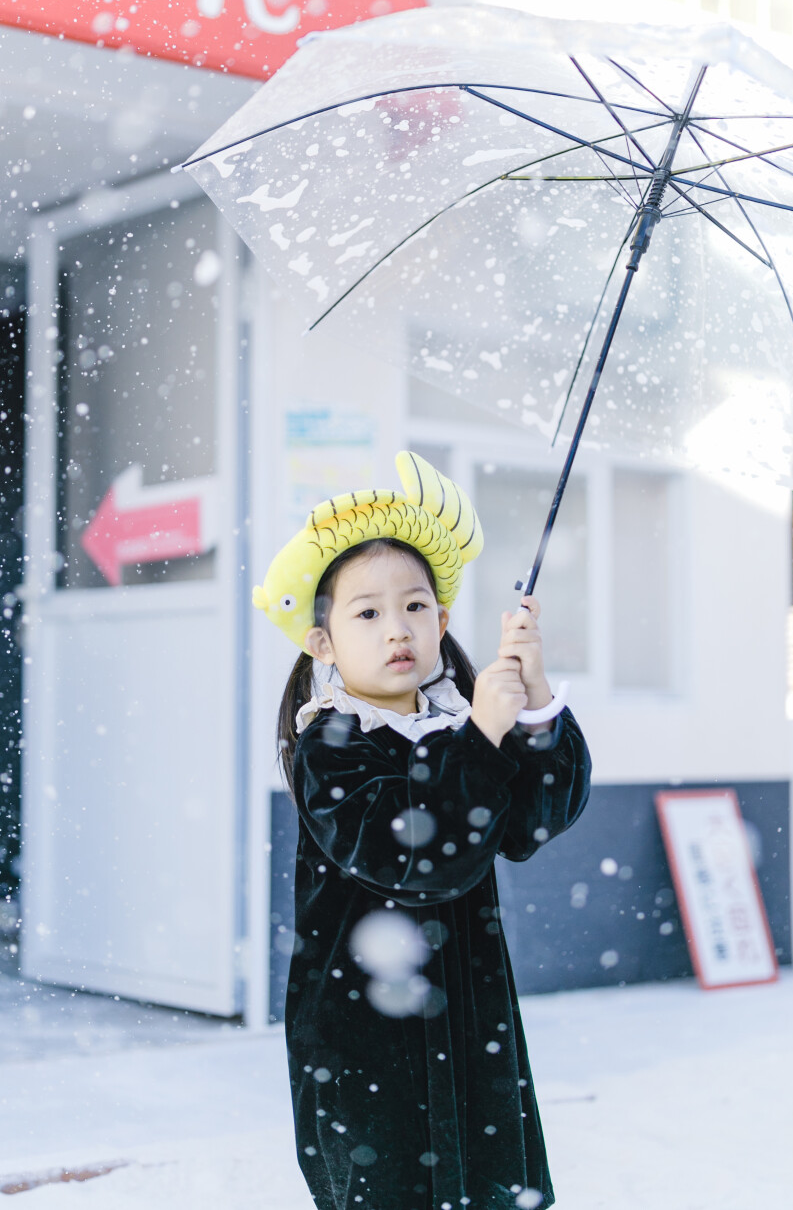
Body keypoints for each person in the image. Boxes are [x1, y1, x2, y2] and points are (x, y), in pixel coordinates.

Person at [254, 452, 591, 1210]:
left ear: (441, 621)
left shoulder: (459, 721)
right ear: (324, 644)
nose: (396, 629)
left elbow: (534, 821)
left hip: (471, 1028)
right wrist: (479, 738)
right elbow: (416, 853)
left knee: (486, 1185)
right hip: (364, 1043)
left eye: (414, 607)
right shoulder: (331, 744)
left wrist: (532, 704)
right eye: (366, 613)